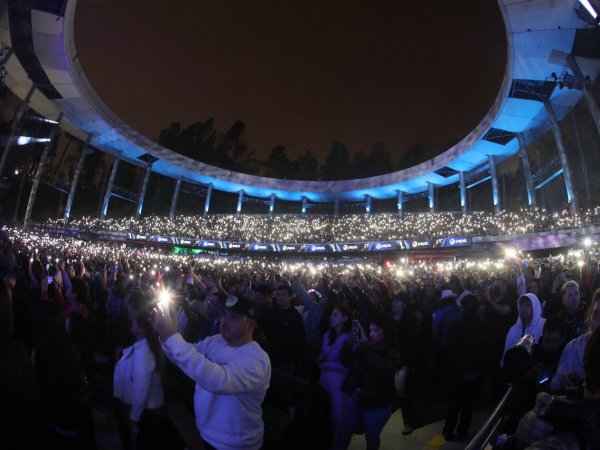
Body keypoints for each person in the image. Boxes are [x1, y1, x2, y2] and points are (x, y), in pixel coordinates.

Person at [152, 294, 271, 450]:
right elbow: (183, 356)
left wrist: (172, 337)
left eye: (233, 318)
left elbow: (218, 381)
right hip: (206, 433)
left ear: (250, 324)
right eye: (224, 315)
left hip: (236, 443)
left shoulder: (257, 359)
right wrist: (166, 336)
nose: (225, 322)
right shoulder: (216, 340)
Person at [337, 314, 402, 450]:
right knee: (343, 433)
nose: (371, 334)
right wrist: (348, 344)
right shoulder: (366, 346)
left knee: (371, 437)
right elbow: (346, 361)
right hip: (355, 395)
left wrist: (365, 344)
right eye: (370, 330)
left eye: (376, 331)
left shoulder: (392, 351)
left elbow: (382, 369)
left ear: (386, 332)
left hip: (376, 402)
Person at [549, 289, 600, 392]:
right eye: (595, 314)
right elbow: (554, 385)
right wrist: (563, 378)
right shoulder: (572, 347)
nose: (598, 321)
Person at [318, 303, 353, 447]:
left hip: (339, 383)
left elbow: (348, 366)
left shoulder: (348, 339)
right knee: (323, 414)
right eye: (332, 314)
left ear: (345, 318)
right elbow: (322, 355)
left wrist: (325, 364)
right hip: (324, 379)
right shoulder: (327, 336)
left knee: (337, 415)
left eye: (335, 314)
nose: (331, 317)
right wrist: (321, 359)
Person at [501, 293, 545, 368]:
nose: (524, 308)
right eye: (521, 305)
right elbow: (506, 355)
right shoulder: (513, 329)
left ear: (535, 307)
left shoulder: (543, 325)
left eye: (528, 305)